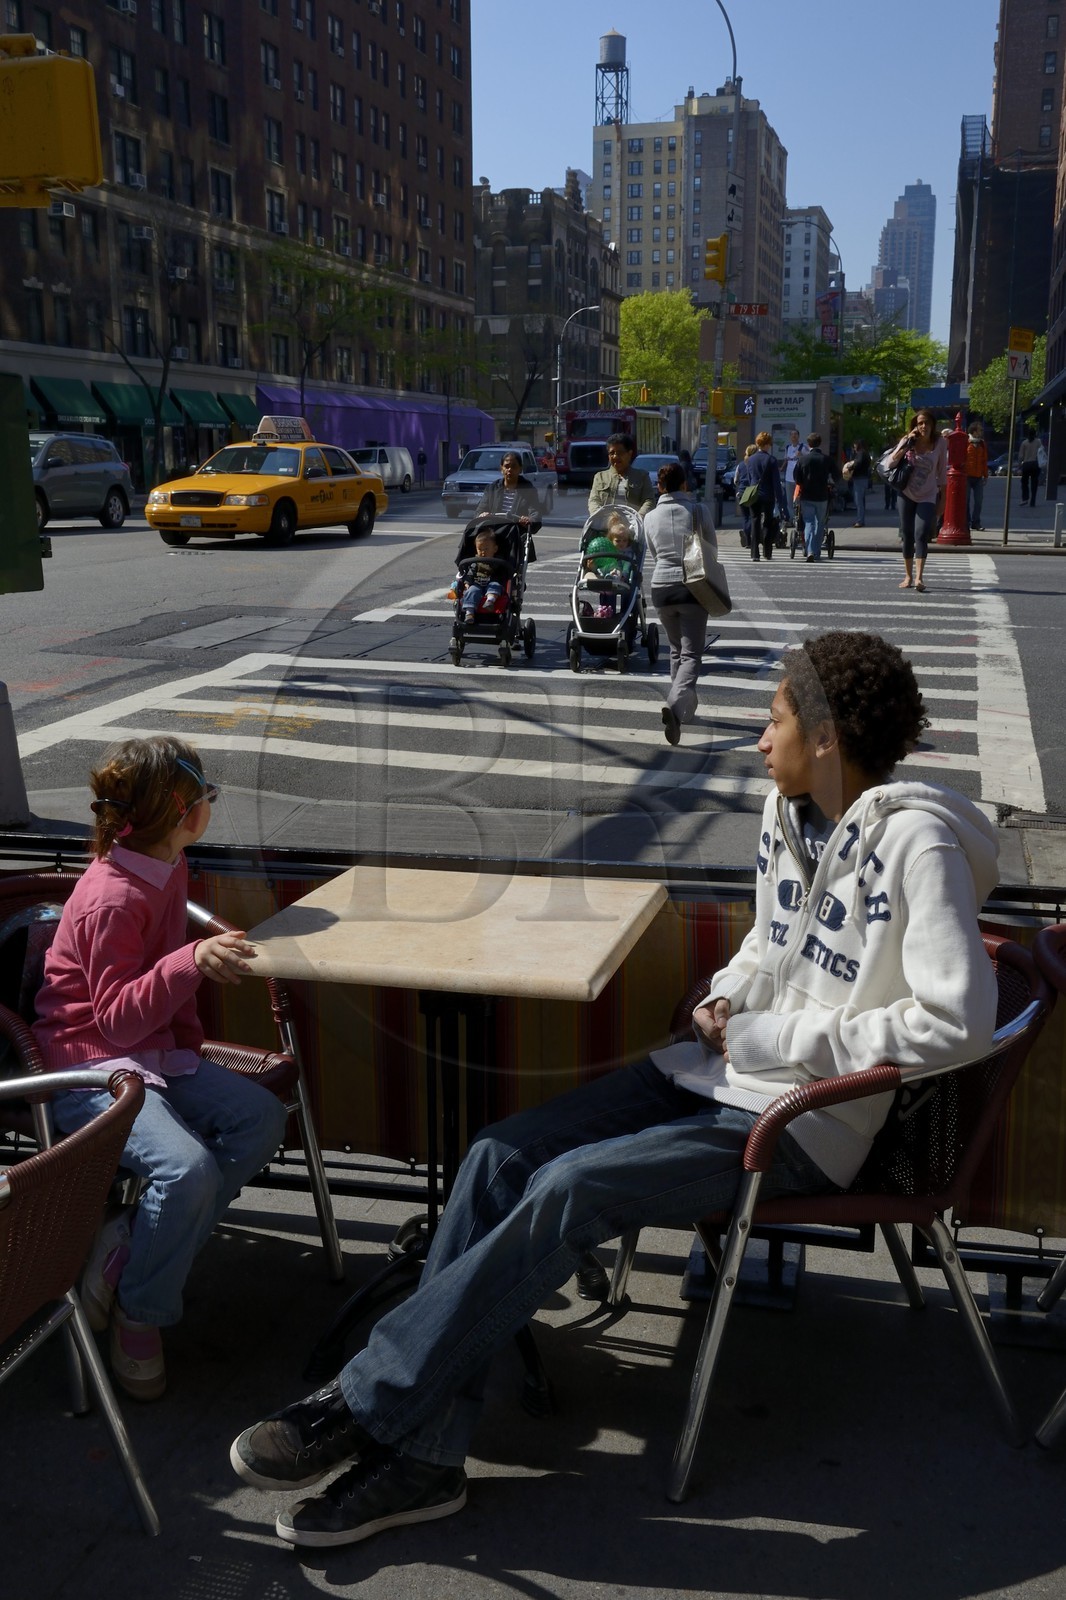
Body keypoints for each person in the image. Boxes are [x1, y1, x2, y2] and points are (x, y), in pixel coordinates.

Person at [230, 630, 999, 1552]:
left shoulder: (919, 843)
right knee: (496, 1155)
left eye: (774, 718)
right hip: (715, 1071)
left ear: (828, 734)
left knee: (568, 1189)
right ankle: (426, 1458)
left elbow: (959, 1022)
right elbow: (769, 945)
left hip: (800, 1122)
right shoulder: (784, 814)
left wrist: (775, 1036)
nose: (759, 738)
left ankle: (364, 1402)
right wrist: (724, 997)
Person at [34, 736, 287, 1402]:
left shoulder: (166, 864)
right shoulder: (114, 897)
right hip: (90, 1067)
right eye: (207, 795)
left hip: (152, 1056)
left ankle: (125, 1253)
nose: (210, 805)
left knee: (260, 1118)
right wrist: (190, 963)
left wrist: (187, 1038)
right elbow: (113, 1020)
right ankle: (142, 1312)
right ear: (182, 809)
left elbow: (156, 990)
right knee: (188, 1170)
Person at [643, 460, 714, 745]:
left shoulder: (649, 517)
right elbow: (711, 548)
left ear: (660, 487)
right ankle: (674, 706)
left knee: (675, 651)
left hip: (661, 588)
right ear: (685, 484)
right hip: (691, 586)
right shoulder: (698, 510)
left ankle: (686, 709)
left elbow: (652, 551)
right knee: (691, 654)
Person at [884, 408, 947, 592]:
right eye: (920, 423)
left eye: (926, 423)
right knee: (907, 535)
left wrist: (942, 499)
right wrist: (907, 443)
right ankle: (908, 576)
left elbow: (942, 472)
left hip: (928, 495)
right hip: (906, 493)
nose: (923, 426)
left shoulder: (940, 443)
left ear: (932, 425)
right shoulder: (908, 440)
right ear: (915, 425)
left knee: (921, 533)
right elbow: (890, 464)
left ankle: (919, 577)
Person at [447, 528, 511, 623]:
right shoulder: (475, 562)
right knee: (472, 591)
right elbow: (470, 574)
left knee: (495, 586)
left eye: (486, 549)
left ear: (495, 549)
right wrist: (467, 583)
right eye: (480, 549)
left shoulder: (499, 562)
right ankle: (469, 613)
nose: (483, 552)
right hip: (477, 584)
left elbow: (503, 576)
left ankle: (490, 601)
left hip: (492, 583)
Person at [793, 434, 840, 563]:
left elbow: (796, 478)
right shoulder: (827, 460)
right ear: (819, 443)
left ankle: (810, 551)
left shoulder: (803, 460)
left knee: (808, 522)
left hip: (807, 495)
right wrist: (830, 483)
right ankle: (817, 551)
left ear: (809, 444)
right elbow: (837, 475)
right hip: (822, 496)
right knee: (820, 523)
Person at [581, 510, 636, 619]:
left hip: (623, 579)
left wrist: (624, 574)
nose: (621, 543)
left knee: (628, 591)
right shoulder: (606, 551)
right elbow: (602, 567)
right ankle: (606, 612)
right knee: (606, 588)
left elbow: (628, 566)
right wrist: (592, 567)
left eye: (624, 541)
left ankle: (625, 614)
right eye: (618, 541)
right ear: (611, 541)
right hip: (606, 578)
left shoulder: (628, 553)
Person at [587, 432, 656, 515]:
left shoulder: (642, 476)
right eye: (612, 453)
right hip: (606, 525)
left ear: (629, 454)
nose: (615, 456)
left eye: (620, 452)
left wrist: (638, 518)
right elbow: (594, 501)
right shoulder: (600, 477)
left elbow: (649, 501)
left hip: (633, 525)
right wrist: (604, 519)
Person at [745, 430, 783, 562]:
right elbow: (776, 484)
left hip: (754, 494)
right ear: (767, 444)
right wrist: (781, 501)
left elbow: (750, 479)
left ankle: (755, 553)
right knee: (768, 522)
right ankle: (767, 552)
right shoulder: (771, 460)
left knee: (755, 521)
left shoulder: (750, 460)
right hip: (768, 496)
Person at [474, 450, 541, 525]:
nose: (509, 470)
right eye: (507, 466)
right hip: (493, 531)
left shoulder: (529, 490)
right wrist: (482, 515)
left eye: (514, 466)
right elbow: (479, 512)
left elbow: (536, 516)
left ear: (520, 469)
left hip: (516, 531)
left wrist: (529, 521)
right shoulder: (492, 488)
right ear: (501, 469)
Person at [732, 442, 759, 549]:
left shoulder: (741, 464)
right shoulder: (755, 464)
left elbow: (735, 480)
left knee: (745, 517)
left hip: (742, 493)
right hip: (752, 492)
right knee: (753, 516)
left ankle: (747, 539)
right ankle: (752, 538)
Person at [966, 421, 988, 530]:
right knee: (966, 500)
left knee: (979, 501)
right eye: (980, 430)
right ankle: (967, 521)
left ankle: (976, 522)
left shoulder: (982, 444)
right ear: (974, 431)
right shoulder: (966, 442)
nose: (982, 432)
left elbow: (984, 460)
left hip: (978, 476)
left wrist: (985, 475)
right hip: (967, 476)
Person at [846, 439, 872, 527]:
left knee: (858, 501)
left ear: (858, 445)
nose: (854, 447)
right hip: (863, 478)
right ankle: (861, 519)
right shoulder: (865, 453)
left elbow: (858, 463)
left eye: (855, 445)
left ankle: (860, 521)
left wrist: (850, 468)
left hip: (859, 479)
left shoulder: (861, 454)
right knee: (861, 501)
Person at [1019, 427, 1041, 508]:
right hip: (1035, 464)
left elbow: (1021, 456)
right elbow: (1041, 452)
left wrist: (1019, 466)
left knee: (1024, 482)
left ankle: (1025, 498)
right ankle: (1033, 500)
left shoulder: (1024, 443)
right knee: (1034, 483)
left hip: (1026, 464)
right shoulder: (1038, 442)